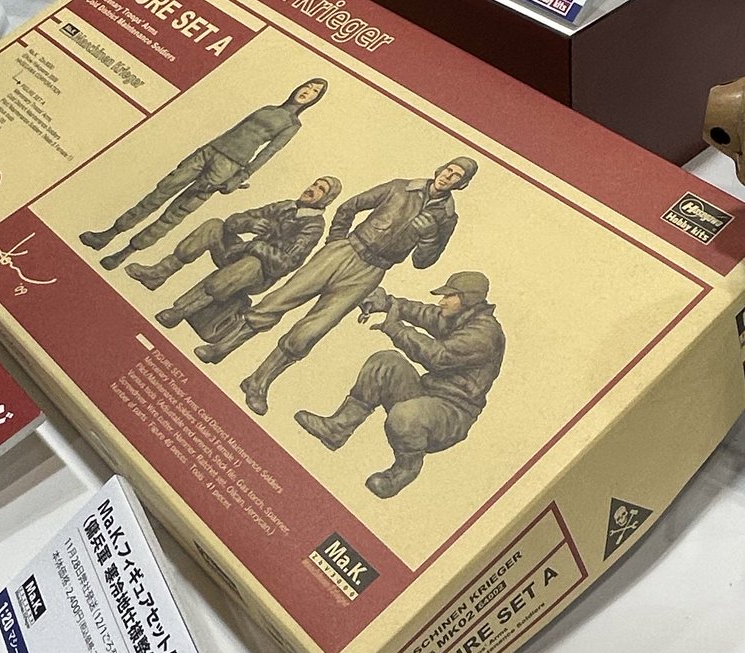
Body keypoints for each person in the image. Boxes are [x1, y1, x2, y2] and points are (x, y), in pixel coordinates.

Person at [196, 157, 478, 416]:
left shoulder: (446, 218)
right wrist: (336, 242)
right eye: (448, 170)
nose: (449, 176)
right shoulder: (399, 187)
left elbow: (423, 262)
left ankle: (257, 382)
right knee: (278, 301)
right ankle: (220, 348)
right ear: (440, 169)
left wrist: (429, 237)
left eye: (457, 176)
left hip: (369, 273)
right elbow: (350, 206)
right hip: (344, 250)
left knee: (312, 330)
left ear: (462, 184)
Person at [78, 78, 328, 270]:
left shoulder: (292, 124)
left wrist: (240, 177)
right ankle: (109, 234)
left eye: (315, 92)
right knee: (159, 193)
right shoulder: (268, 108)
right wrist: (202, 150)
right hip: (209, 151)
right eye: (308, 86)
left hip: (228, 166)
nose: (308, 91)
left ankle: (125, 253)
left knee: (179, 210)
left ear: (314, 100)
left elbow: (268, 152)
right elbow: (234, 129)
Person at [295, 271, 505, 498]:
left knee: (406, 416)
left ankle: (404, 470)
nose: (442, 302)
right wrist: (388, 303)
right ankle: (337, 428)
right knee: (384, 363)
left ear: (468, 299)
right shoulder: (460, 316)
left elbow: (438, 357)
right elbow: (426, 314)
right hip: (429, 395)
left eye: (449, 296)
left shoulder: (484, 333)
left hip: (453, 414)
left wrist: (396, 329)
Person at [126, 176, 342, 342]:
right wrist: (249, 224)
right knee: (214, 226)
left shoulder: (313, 227)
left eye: (321, 189)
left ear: (327, 199)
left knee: (250, 264)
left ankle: (181, 311)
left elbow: (285, 264)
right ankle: (159, 274)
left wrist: (254, 246)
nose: (312, 189)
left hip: (260, 274)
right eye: (314, 184)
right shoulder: (285, 206)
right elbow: (233, 221)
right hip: (240, 253)